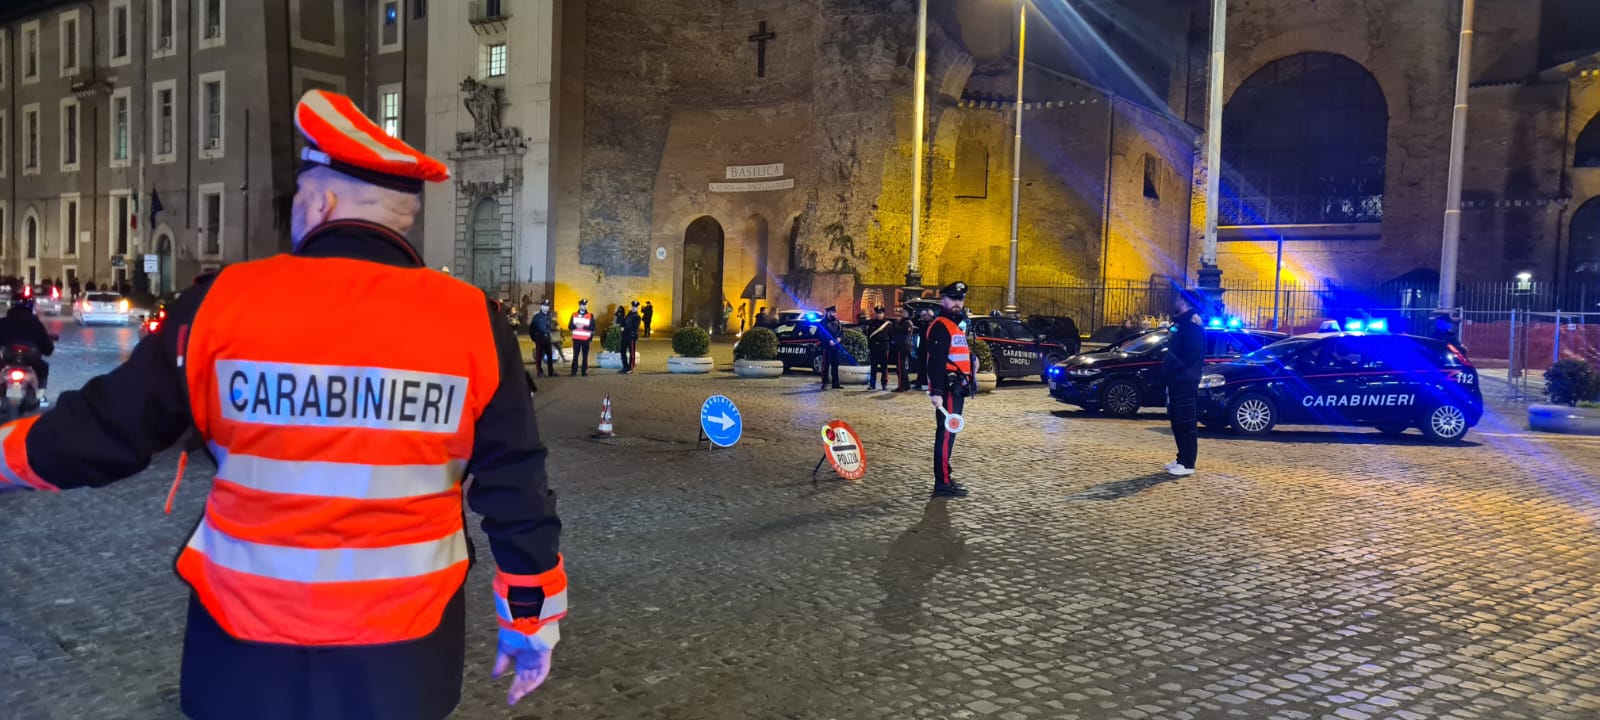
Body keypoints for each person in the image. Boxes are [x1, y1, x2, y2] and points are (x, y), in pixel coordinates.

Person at [0, 89, 564, 719]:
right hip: (405, 654)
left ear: (319, 203)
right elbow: (515, 480)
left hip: (243, 649)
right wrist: (529, 617)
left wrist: (5, 457)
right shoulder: (472, 322)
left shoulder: (224, 302)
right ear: (402, 217)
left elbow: (108, 427)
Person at [924, 282, 975, 498]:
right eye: (953, 298)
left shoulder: (954, 325)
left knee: (949, 435)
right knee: (946, 435)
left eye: (960, 299)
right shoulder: (941, 326)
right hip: (948, 388)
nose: (957, 303)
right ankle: (942, 482)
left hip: (957, 387)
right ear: (943, 299)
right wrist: (936, 392)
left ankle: (945, 475)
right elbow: (935, 362)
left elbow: (956, 354)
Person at [1161, 291, 1206, 477]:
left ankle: (1187, 463)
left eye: (1179, 299)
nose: (1176, 301)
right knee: (1178, 421)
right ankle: (1181, 458)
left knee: (1186, 422)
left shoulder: (1192, 326)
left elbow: (1190, 356)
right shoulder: (1183, 324)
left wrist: (1170, 369)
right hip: (1178, 380)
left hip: (1185, 381)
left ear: (1185, 301)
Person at [0, 296, 55, 400]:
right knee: (44, 367)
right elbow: (48, 349)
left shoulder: (3, 322)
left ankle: (39, 394)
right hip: (31, 362)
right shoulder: (36, 325)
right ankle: (40, 394)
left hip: (6, 359)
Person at [867, 305, 894, 391]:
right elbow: (869, 336)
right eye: (877, 313)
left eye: (880, 313)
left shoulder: (888, 324)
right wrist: (869, 347)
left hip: (883, 348)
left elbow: (891, 336)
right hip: (874, 348)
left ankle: (884, 384)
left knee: (884, 367)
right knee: (873, 367)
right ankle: (872, 384)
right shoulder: (871, 323)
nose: (879, 315)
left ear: (883, 314)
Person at [817, 305, 843, 390]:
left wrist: (840, 338)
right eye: (833, 312)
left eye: (835, 312)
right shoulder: (822, 323)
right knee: (826, 365)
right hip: (826, 347)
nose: (834, 314)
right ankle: (825, 383)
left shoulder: (837, 322)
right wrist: (828, 341)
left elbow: (841, 332)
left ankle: (835, 383)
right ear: (828, 312)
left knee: (835, 364)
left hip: (836, 346)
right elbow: (819, 335)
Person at [530, 299, 557, 378]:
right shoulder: (537, 317)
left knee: (549, 355)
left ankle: (551, 371)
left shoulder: (549, 316)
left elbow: (550, 327)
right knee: (539, 356)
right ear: (541, 307)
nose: (546, 307)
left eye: (547, 306)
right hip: (540, 339)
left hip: (547, 338)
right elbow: (532, 329)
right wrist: (534, 338)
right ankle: (539, 372)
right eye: (545, 306)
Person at [568, 299, 595, 376]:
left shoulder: (590, 315)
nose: (584, 306)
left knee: (585, 356)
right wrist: (575, 326)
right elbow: (570, 326)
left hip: (585, 339)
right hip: (576, 339)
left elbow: (593, 327)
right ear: (580, 306)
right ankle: (574, 371)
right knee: (575, 355)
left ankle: (584, 371)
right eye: (583, 305)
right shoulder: (574, 314)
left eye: (585, 305)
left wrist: (583, 326)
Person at [894, 314, 916, 392]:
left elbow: (897, 329)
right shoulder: (907, 322)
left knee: (900, 368)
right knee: (902, 367)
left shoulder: (907, 323)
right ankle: (906, 385)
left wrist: (896, 322)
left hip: (902, 346)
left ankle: (901, 386)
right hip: (904, 346)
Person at [621, 300, 642, 374]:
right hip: (624, 336)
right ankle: (625, 367)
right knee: (622, 351)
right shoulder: (629, 314)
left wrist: (625, 329)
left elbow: (634, 328)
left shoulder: (637, 317)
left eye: (635, 307)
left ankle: (630, 367)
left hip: (631, 337)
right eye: (633, 306)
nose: (634, 308)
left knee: (632, 353)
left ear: (637, 308)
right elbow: (623, 322)